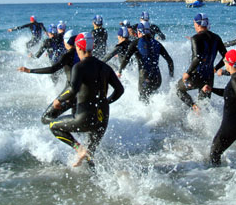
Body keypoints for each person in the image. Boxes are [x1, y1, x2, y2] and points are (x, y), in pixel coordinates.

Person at [50, 32, 124, 167]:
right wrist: (106, 101)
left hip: (85, 117)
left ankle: (78, 148)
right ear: (92, 47)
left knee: (53, 126)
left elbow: (73, 89)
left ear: (78, 47)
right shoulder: (105, 67)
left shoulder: (79, 67)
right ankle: (99, 181)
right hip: (103, 118)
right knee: (91, 155)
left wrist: (58, 100)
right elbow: (120, 90)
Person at [18, 29, 81, 124]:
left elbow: (52, 69)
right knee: (76, 117)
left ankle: (61, 128)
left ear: (66, 41)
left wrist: (30, 70)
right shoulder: (82, 54)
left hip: (70, 92)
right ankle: (78, 135)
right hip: (81, 92)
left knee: (46, 117)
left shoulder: (68, 55)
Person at [176, 13, 227, 111]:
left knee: (178, 89)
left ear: (197, 24)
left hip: (196, 76)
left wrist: (188, 72)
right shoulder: (216, 37)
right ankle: (206, 125)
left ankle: (193, 106)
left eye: (194, 23)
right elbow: (226, 56)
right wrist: (215, 68)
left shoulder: (196, 38)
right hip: (209, 77)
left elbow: (197, 57)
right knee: (204, 105)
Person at [118, 21, 174, 103]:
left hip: (145, 77)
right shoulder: (157, 43)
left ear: (139, 32)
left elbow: (126, 58)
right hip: (157, 79)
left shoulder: (135, 43)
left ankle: (147, 116)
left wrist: (120, 71)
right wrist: (171, 76)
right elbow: (170, 61)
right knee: (154, 99)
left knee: (143, 101)